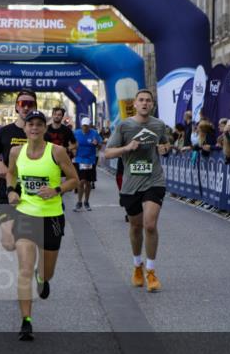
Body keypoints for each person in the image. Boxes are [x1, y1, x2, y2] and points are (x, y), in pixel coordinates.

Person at [5, 109, 79, 340]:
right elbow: (10, 174)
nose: (34, 128)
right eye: (31, 124)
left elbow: (75, 180)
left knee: (47, 272)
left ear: (44, 129)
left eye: (39, 124)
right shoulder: (16, 151)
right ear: (25, 128)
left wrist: (56, 189)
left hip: (53, 216)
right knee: (24, 270)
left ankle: (43, 278)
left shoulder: (56, 151)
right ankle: (26, 321)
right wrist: (10, 192)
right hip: (26, 215)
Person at [103, 90, 172, 293]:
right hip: (131, 183)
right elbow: (107, 152)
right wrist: (126, 148)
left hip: (154, 180)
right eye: (141, 100)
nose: (144, 103)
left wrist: (165, 148)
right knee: (135, 227)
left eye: (148, 101)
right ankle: (137, 266)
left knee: (149, 225)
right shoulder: (124, 126)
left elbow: (166, 143)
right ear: (135, 103)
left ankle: (151, 270)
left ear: (152, 105)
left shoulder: (158, 125)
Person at [0, 91, 38, 251]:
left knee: (27, 242)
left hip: (32, 194)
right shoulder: (4, 131)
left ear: (35, 107)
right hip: (7, 192)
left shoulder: (41, 132)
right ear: (16, 106)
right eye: (22, 103)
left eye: (30, 104)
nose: (26, 107)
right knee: (9, 244)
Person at [73, 117, 103, 211]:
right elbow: (71, 144)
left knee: (88, 183)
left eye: (87, 126)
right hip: (79, 160)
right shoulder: (76, 133)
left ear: (89, 125)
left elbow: (100, 145)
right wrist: (73, 149)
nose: (85, 127)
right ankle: (79, 202)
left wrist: (97, 144)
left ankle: (86, 201)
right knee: (81, 181)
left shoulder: (94, 133)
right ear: (81, 125)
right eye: (84, 125)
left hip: (90, 160)